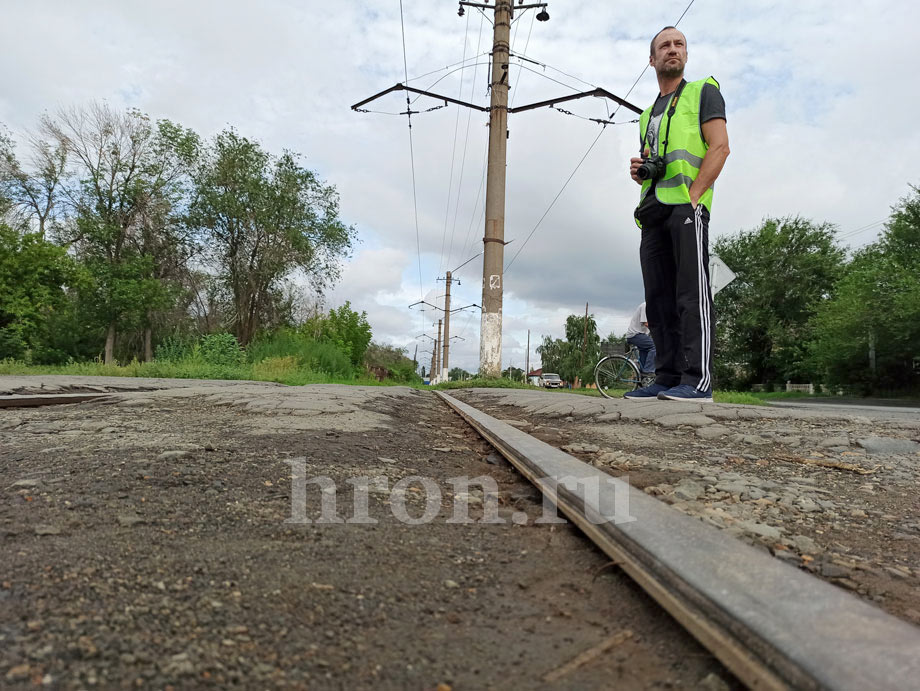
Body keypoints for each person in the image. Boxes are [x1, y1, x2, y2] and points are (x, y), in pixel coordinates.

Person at [623, 26, 730, 403]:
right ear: (652, 60)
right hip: (652, 213)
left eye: (679, 44)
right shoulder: (647, 114)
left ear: (685, 54)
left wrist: (694, 196)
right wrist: (640, 170)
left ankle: (698, 381)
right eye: (665, 45)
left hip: (687, 207)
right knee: (658, 299)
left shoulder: (703, 92)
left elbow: (720, 148)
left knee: (691, 294)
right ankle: (666, 377)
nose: (673, 49)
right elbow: (657, 160)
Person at [624, 302, 655, 374]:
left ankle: (643, 375)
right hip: (635, 335)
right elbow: (646, 323)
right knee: (654, 347)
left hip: (641, 335)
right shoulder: (645, 306)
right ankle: (648, 371)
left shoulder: (652, 308)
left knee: (646, 351)